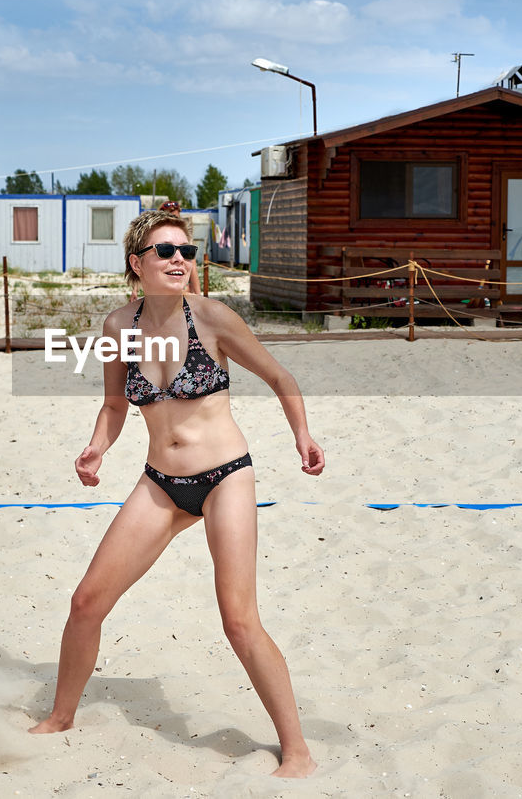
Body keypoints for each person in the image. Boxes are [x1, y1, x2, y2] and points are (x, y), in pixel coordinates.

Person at [29, 210, 324, 778]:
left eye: (186, 251)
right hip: (160, 482)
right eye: (165, 251)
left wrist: (302, 435)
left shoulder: (213, 318)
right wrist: (97, 447)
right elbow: (116, 405)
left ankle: (297, 749)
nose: (178, 260)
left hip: (224, 477)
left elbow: (281, 377)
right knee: (86, 602)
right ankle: (62, 717)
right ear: (136, 264)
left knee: (238, 620)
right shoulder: (120, 327)